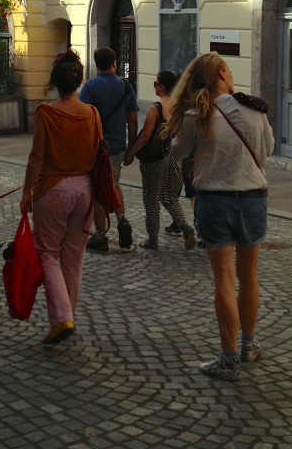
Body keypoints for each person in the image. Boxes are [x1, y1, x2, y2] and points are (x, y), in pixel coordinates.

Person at [166, 52, 274, 380]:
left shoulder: (196, 114)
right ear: (222, 76)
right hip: (254, 199)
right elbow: (267, 150)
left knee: (224, 279)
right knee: (249, 276)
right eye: (229, 69)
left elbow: (178, 152)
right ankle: (249, 345)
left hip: (215, 201)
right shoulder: (255, 110)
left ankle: (228, 359)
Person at [21, 50, 103, 346]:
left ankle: (61, 318)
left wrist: (26, 192)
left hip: (53, 189)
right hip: (85, 190)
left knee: (47, 253)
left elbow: (36, 158)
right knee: (74, 257)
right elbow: (98, 156)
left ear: (54, 82)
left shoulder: (46, 112)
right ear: (79, 81)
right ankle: (67, 315)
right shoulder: (92, 113)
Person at [124, 70, 196, 250]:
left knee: (151, 198)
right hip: (175, 156)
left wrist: (130, 152)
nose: (154, 86)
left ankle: (152, 238)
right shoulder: (179, 107)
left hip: (155, 159)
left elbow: (145, 136)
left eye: (155, 83)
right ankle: (184, 226)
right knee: (170, 197)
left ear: (161, 87)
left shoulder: (155, 108)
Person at [78, 47, 136, 251]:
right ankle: (121, 220)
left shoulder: (90, 87)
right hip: (118, 146)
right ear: (115, 63)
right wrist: (132, 148)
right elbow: (133, 118)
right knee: (113, 183)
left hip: (97, 147)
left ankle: (100, 236)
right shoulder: (126, 87)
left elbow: (82, 117)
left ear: (96, 64)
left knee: (98, 190)